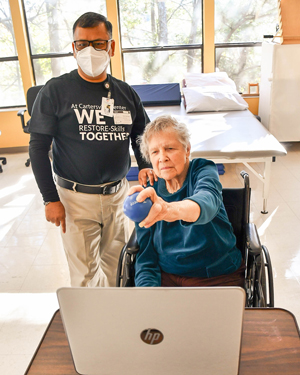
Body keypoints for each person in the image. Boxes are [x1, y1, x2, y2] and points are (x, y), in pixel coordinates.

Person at [28, 12, 155, 287]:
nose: (90, 51)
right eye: (82, 44)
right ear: (73, 49)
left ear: (111, 47)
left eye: (98, 43)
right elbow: (38, 148)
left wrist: (145, 166)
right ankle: (93, 327)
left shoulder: (125, 93)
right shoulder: (55, 91)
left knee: (118, 267)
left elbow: (141, 135)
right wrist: (50, 199)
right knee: (85, 276)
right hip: (75, 200)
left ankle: (116, 323)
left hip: (118, 196)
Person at [128, 115, 245, 287]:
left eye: (169, 148)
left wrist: (168, 210)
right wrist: (149, 295)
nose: (162, 158)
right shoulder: (148, 192)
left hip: (216, 275)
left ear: (187, 149)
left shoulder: (203, 170)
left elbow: (207, 201)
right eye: (155, 152)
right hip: (168, 277)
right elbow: (146, 259)